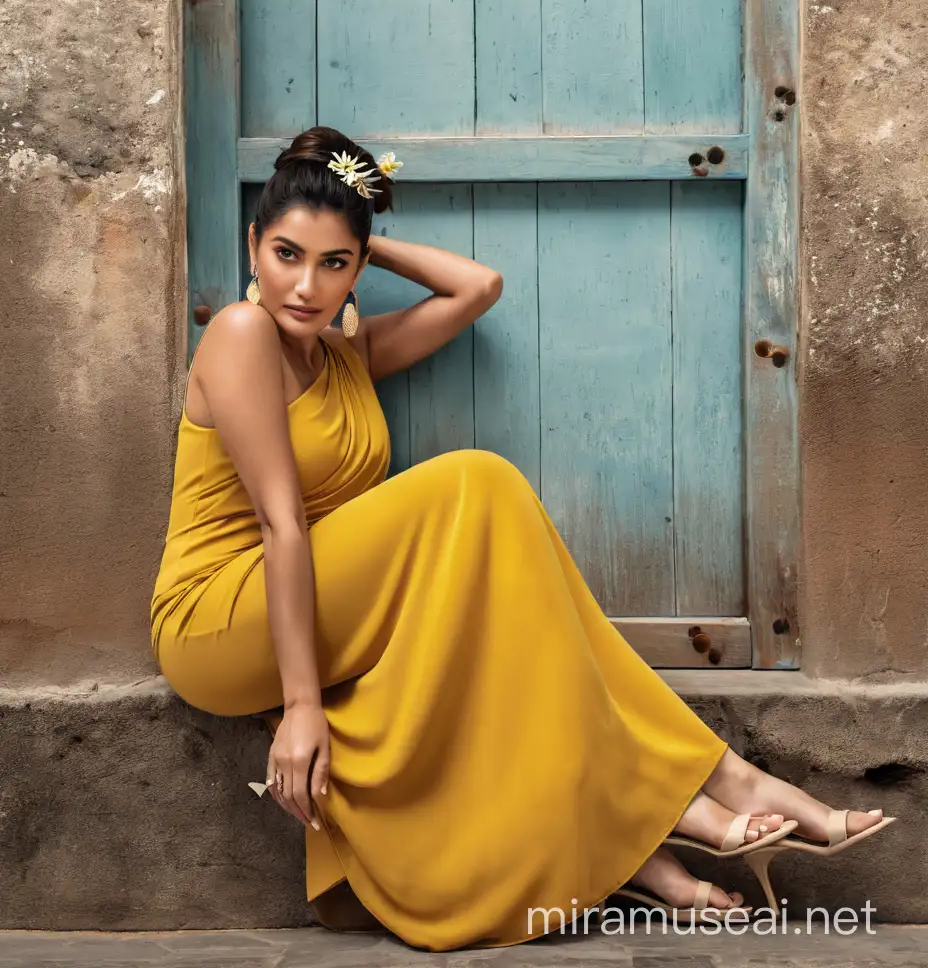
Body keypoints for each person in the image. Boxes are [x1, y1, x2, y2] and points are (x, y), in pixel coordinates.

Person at [150, 126, 892, 952]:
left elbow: (478, 289)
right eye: (286, 254)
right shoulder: (241, 336)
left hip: (321, 605)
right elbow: (281, 525)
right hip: (219, 617)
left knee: (502, 610)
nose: (305, 285)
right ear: (253, 244)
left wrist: (359, 236)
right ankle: (701, 790)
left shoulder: (343, 354)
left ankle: (656, 836)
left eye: (333, 266)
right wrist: (299, 709)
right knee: (479, 483)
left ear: (357, 269)